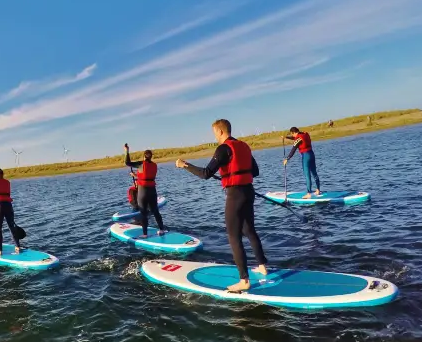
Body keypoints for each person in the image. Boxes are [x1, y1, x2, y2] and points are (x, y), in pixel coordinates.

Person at [176, 119, 268, 292]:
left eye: (214, 133)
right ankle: (262, 266)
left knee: (234, 236)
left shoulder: (223, 148)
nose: (215, 136)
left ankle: (244, 280)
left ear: (220, 132)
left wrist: (185, 165)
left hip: (236, 195)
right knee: (249, 230)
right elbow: (255, 171)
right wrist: (235, 172)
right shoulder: (244, 146)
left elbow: (205, 174)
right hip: (249, 192)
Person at [123, 143, 166, 238]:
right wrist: (136, 175)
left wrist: (127, 151)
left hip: (143, 192)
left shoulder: (141, 164)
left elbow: (127, 163)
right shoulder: (154, 165)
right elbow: (147, 176)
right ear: (151, 157)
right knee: (155, 211)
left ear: (144, 157)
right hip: (152, 190)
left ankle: (145, 234)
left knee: (143, 212)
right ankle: (162, 229)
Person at [283, 126, 321, 198]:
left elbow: (293, 149)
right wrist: (286, 137)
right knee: (314, 173)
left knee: (307, 175)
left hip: (306, 156)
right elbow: (295, 138)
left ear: (293, 132)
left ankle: (309, 193)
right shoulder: (305, 134)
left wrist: (287, 159)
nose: (293, 136)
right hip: (312, 154)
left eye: (292, 134)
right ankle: (318, 190)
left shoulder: (298, 138)